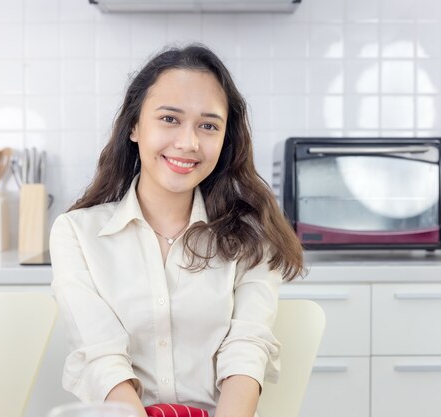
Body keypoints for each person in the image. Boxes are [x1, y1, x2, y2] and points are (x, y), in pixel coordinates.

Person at [49, 44, 304, 417]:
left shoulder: (252, 236)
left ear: (224, 139)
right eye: (169, 119)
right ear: (134, 126)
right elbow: (101, 358)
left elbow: (247, 351)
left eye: (208, 125)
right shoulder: (75, 233)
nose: (188, 143)